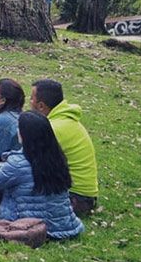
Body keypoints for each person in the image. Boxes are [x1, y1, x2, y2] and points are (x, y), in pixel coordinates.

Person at [0, 111, 84, 240]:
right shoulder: (57, 158)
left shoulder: (19, 163)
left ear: (24, 134)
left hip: (25, 225)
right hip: (63, 226)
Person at [31, 79, 98, 215]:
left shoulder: (54, 127)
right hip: (84, 196)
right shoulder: (64, 119)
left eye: (32, 98)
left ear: (41, 106)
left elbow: (27, 163)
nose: (29, 102)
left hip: (75, 199)